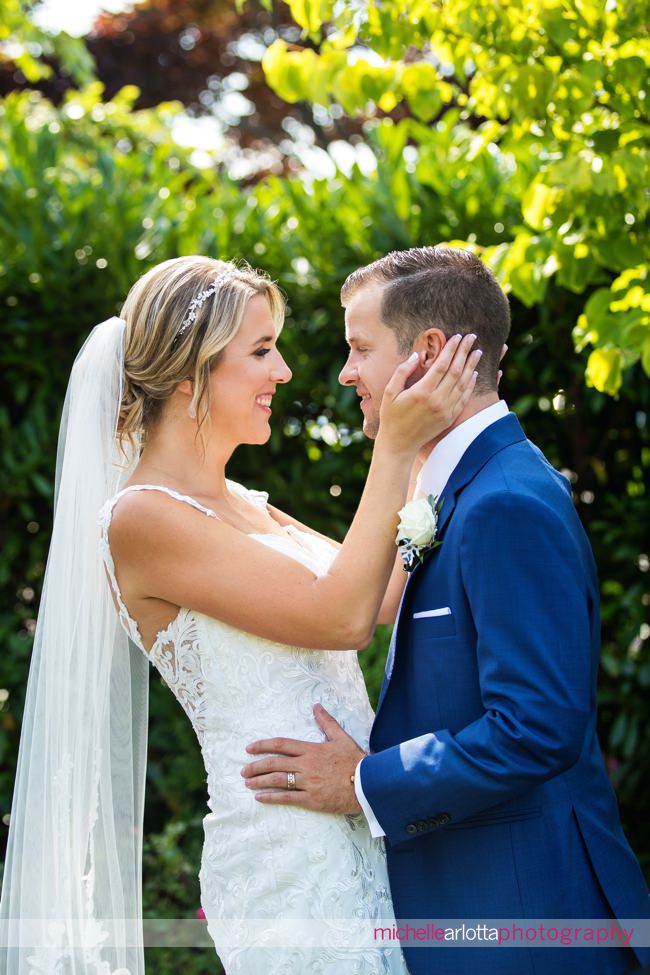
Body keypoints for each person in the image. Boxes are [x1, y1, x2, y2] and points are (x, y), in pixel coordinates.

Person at [0, 254, 481, 975]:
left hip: (357, 831)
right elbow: (343, 616)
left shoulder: (250, 506)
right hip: (288, 870)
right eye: (261, 351)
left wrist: (425, 436)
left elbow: (382, 595)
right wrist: (396, 443)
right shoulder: (140, 518)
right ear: (191, 375)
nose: (284, 371)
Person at [242, 245, 650, 975]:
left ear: (428, 352)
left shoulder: (506, 503)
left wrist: (363, 782)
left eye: (359, 348)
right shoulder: (456, 490)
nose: (345, 374)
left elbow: (534, 729)